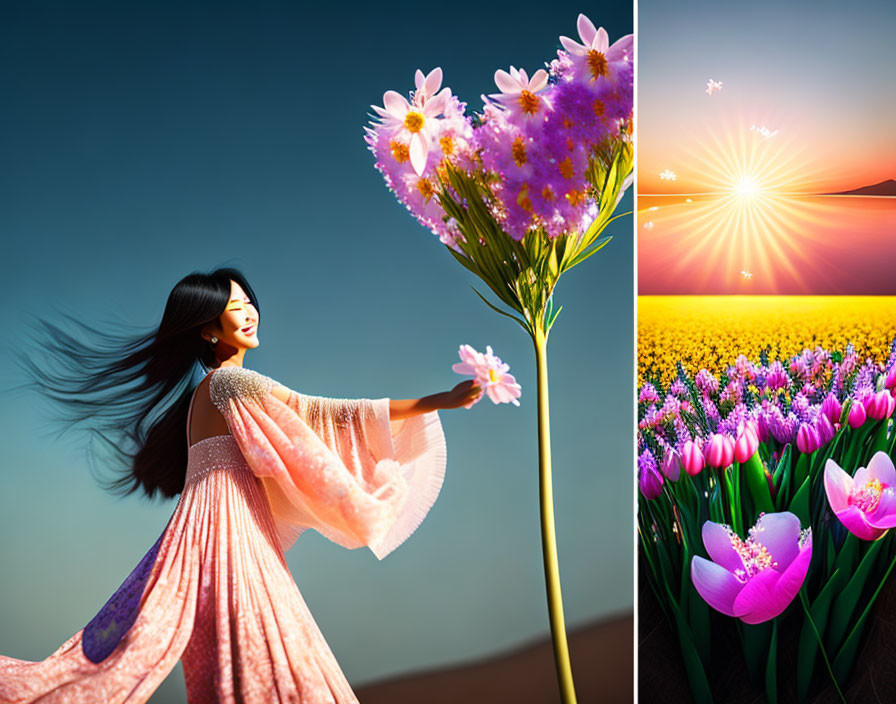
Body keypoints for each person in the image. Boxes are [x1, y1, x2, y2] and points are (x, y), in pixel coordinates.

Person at [0, 266, 480, 704]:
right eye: (234, 308)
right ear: (208, 330)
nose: (248, 312)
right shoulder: (231, 385)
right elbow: (322, 413)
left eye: (248, 302)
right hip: (230, 533)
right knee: (267, 641)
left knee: (235, 645)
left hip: (208, 528)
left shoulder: (204, 395)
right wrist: (437, 399)